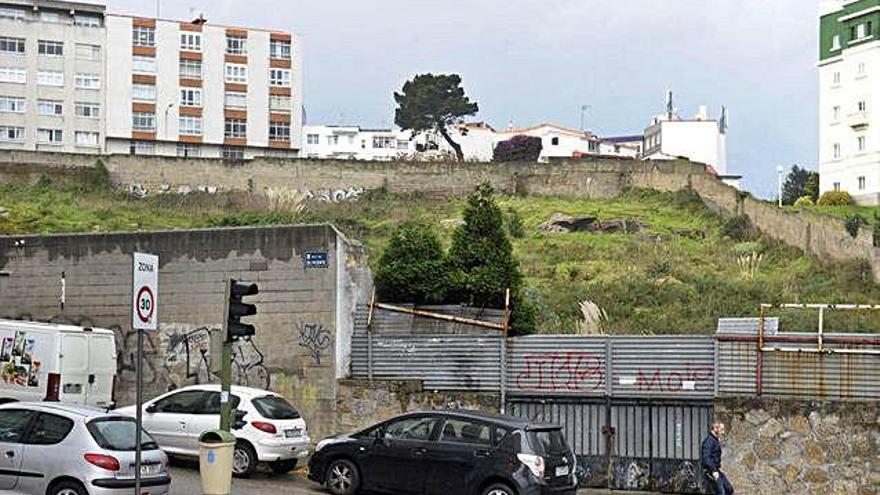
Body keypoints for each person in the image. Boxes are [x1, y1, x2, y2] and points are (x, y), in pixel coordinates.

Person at [701, 421, 735, 495]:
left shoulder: (714, 439)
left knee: (729, 489)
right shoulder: (709, 441)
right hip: (710, 472)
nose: (723, 432)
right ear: (715, 429)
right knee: (721, 492)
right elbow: (706, 458)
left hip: (716, 470)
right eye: (721, 429)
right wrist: (713, 471)